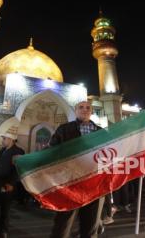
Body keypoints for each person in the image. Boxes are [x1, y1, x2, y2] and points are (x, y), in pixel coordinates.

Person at [49, 100, 104, 238]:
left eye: (88, 107)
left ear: (91, 111)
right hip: (70, 184)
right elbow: (51, 151)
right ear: (75, 111)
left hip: (94, 185)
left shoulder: (101, 132)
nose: (85, 109)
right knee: (62, 225)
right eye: (81, 107)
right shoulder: (64, 129)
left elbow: (111, 154)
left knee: (90, 226)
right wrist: (27, 159)